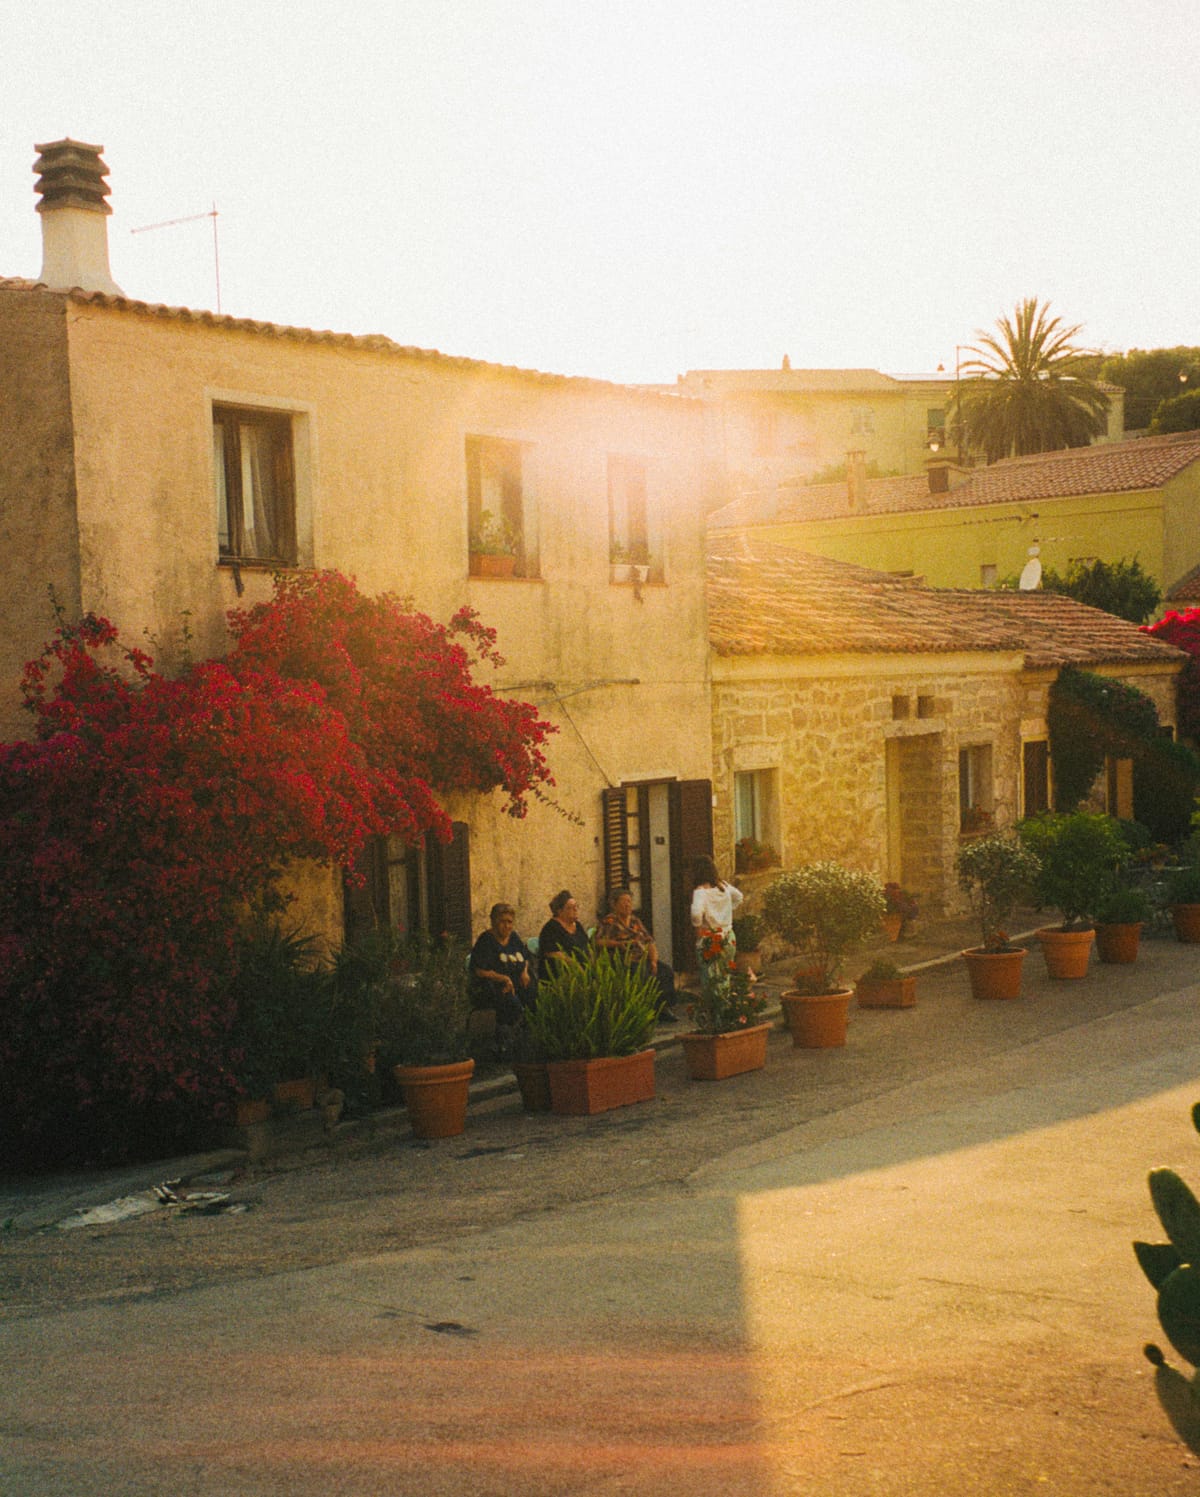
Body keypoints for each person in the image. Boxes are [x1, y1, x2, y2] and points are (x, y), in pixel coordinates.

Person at [596, 887, 678, 1022]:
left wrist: (653, 960)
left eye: (629, 901)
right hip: (624, 960)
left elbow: (649, 941)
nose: (628, 905)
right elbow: (599, 941)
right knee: (641, 974)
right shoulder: (609, 921)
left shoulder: (635, 921)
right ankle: (644, 1011)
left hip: (642, 958)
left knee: (666, 971)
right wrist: (618, 944)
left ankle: (663, 1008)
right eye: (624, 902)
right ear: (614, 905)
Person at [469, 902, 536, 1028]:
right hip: (495, 987)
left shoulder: (514, 937)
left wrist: (524, 971)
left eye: (509, 922)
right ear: (494, 922)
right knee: (513, 1004)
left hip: (517, 983)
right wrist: (503, 978)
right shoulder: (486, 941)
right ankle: (511, 1033)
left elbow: (525, 957)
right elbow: (478, 971)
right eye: (502, 922)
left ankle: (531, 1030)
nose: (507, 926)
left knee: (534, 996)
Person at [690, 855, 744, 1009]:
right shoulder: (724, 886)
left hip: (710, 938)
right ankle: (726, 1009)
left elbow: (696, 914)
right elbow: (739, 897)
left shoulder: (700, 892)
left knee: (710, 979)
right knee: (724, 976)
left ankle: (716, 1013)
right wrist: (727, 911)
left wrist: (698, 927)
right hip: (728, 936)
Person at [537, 889, 591, 978]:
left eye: (576, 906)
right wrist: (576, 966)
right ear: (560, 911)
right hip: (562, 972)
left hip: (583, 971)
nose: (575, 909)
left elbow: (587, 945)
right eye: (570, 907)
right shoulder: (550, 928)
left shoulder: (577, 925)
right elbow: (553, 953)